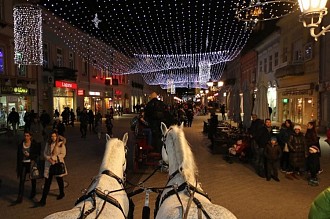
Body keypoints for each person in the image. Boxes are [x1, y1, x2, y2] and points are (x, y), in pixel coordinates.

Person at [36, 130, 67, 207]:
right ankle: (43, 200)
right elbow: (45, 153)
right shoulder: (48, 143)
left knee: (59, 179)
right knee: (47, 182)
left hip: (57, 164)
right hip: (49, 164)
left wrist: (54, 158)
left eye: (54, 136)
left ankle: (62, 193)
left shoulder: (60, 144)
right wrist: (49, 158)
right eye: (52, 136)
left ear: (57, 136)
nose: (53, 138)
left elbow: (63, 154)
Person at [11, 131, 41, 205]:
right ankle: (19, 197)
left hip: (31, 164)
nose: (26, 137)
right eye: (25, 136)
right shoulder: (21, 145)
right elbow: (18, 156)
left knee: (33, 178)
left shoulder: (34, 144)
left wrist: (29, 155)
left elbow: (37, 155)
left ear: (30, 136)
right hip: (23, 164)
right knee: (22, 180)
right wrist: (18, 165)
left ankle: (33, 192)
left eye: (27, 136)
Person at [305, 121, 321, 185]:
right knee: (311, 163)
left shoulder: (312, 132)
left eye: (308, 125)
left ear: (311, 126)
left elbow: (314, 141)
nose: (307, 126)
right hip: (310, 149)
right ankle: (313, 176)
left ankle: (313, 176)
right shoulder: (309, 131)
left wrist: (307, 143)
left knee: (312, 163)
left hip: (312, 150)